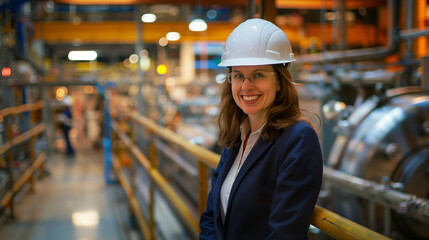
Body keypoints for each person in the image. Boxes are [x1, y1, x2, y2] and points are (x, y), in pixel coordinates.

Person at [199, 18, 323, 240]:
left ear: (279, 82)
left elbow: (285, 234)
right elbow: (211, 216)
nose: (246, 86)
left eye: (258, 74)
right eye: (238, 75)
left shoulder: (298, 140)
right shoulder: (237, 135)